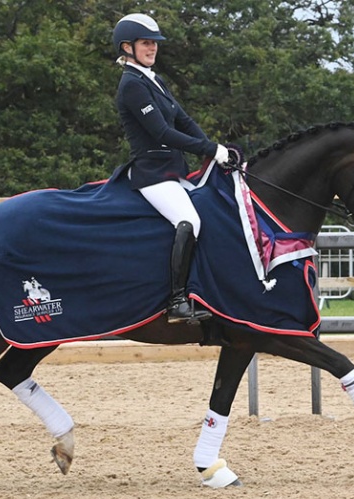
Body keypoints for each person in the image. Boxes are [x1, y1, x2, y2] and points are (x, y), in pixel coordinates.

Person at [113, 13, 229, 324]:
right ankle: (176, 300)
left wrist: (215, 151)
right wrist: (209, 149)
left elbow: (184, 121)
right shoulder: (131, 86)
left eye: (154, 43)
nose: (152, 48)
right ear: (127, 47)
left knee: (213, 213)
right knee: (188, 219)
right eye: (145, 43)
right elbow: (163, 133)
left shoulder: (153, 79)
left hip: (172, 170)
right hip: (152, 173)